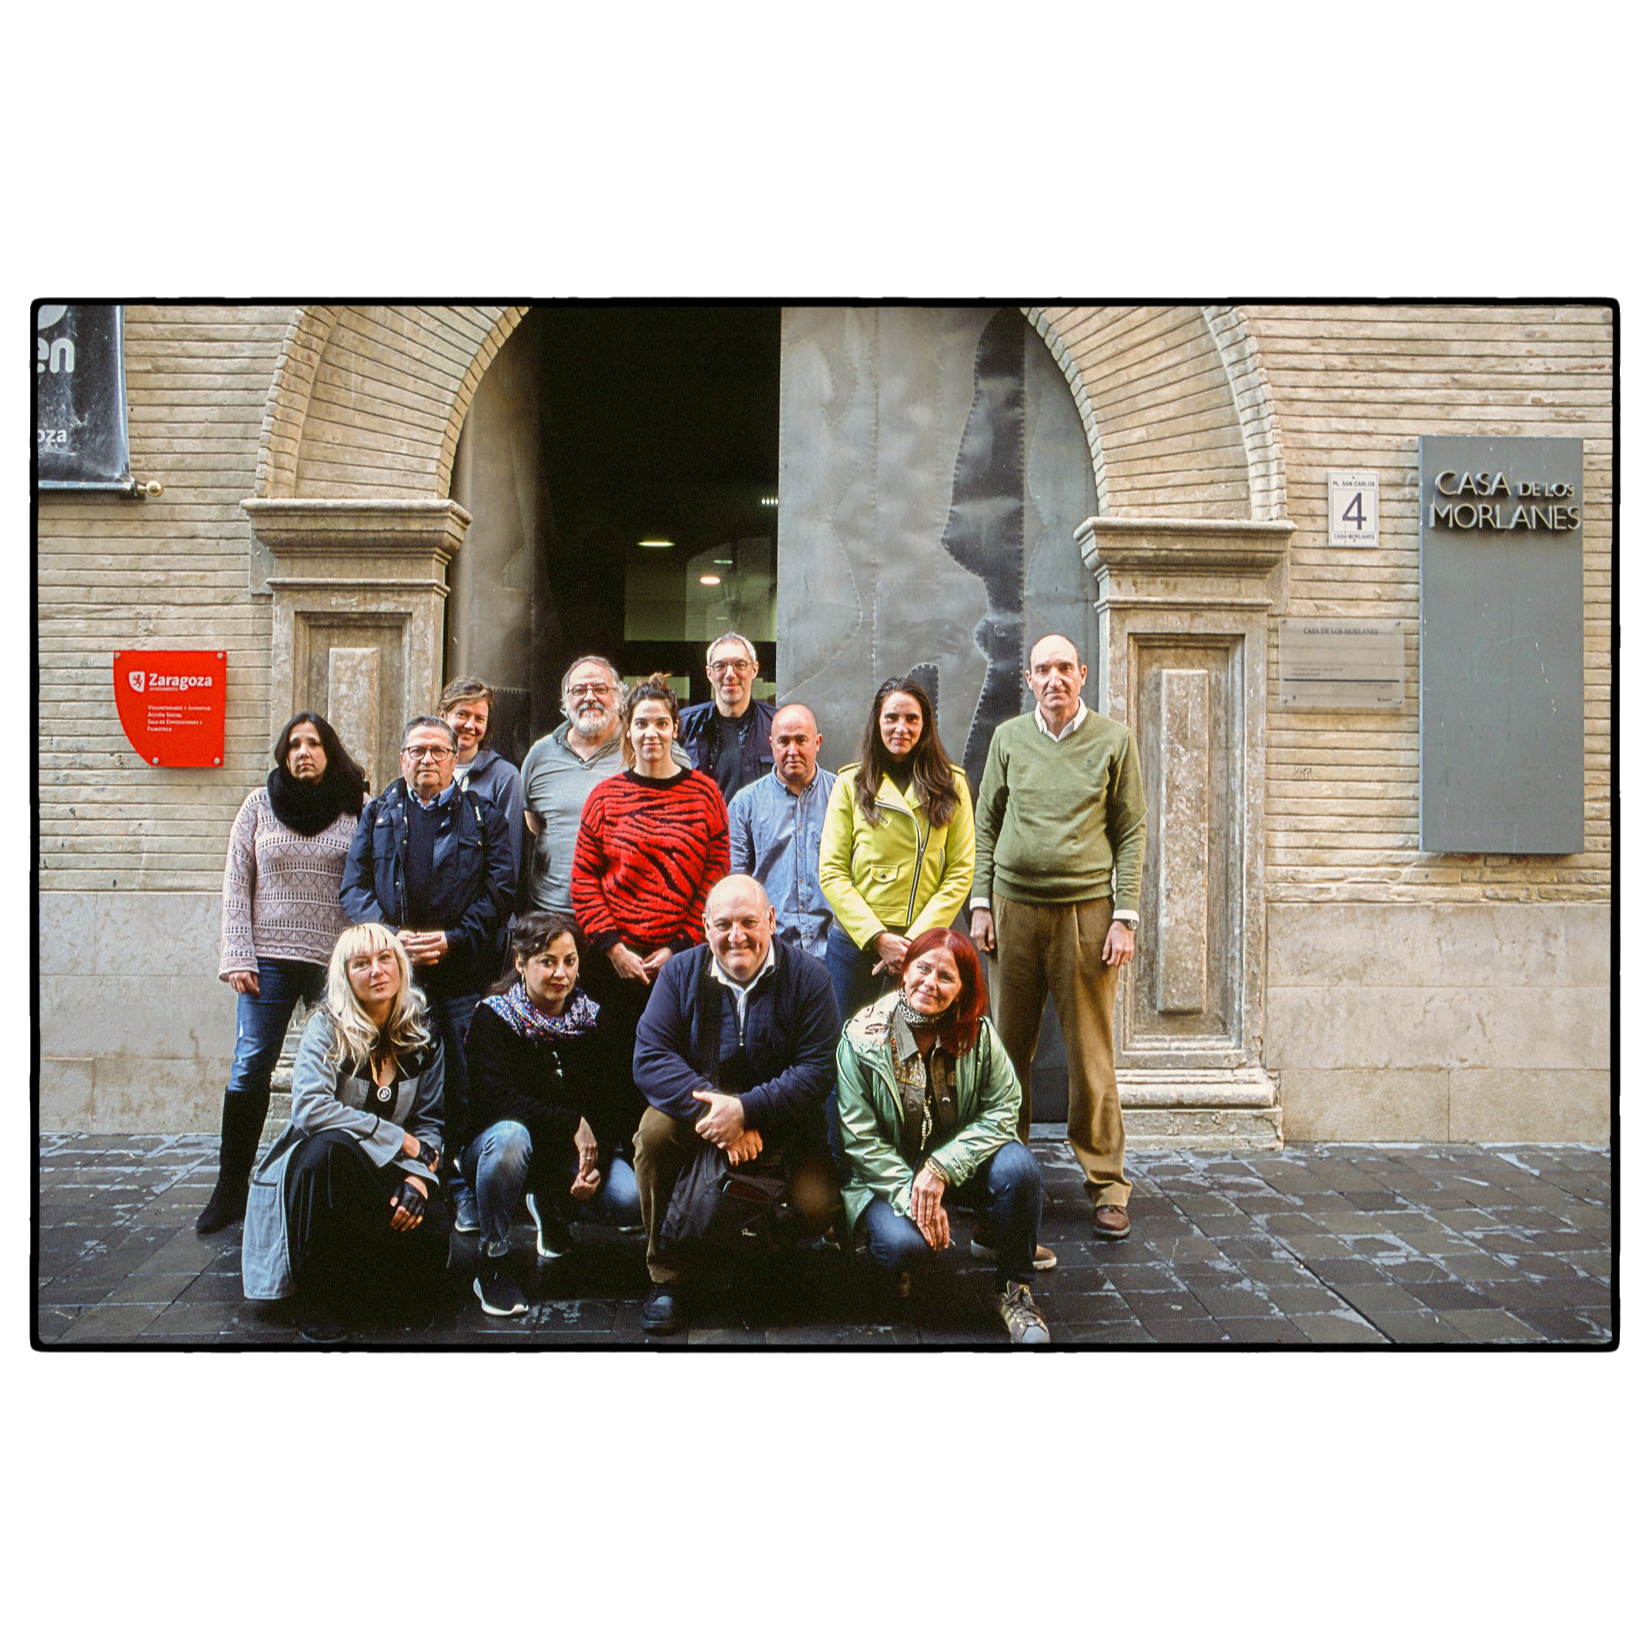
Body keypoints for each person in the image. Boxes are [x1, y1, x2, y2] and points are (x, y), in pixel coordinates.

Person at [970, 632, 1147, 1242]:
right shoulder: (1008, 738)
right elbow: (986, 822)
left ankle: (1107, 1185)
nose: (1054, 679)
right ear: (1029, 679)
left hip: (1087, 914)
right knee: (1004, 1053)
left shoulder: (1114, 741)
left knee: (1091, 1055)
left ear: (1082, 674)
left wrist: (1125, 916)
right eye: (1042, 669)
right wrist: (981, 905)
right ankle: (1003, 1176)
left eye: (1064, 668)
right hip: (1013, 913)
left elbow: (1131, 830)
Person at [631, 875, 840, 1334]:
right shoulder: (679, 973)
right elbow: (650, 1057)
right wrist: (720, 1113)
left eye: (749, 921)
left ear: (772, 920)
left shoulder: (810, 977)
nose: (736, 935)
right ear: (705, 927)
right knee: (652, 1133)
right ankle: (666, 1275)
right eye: (723, 924)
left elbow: (818, 1070)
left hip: (783, 1124)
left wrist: (746, 1110)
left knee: (818, 1205)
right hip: (700, 1118)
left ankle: (764, 1259)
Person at [835, 928, 1050, 1345]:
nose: (930, 983)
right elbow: (859, 1140)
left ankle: (1015, 1290)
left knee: (1020, 1168)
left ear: (962, 990)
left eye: (946, 976)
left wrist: (941, 1167)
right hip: (886, 1178)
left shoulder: (978, 1034)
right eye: (923, 968)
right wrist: (914, 1198)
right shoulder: (861, 1038)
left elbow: (1004, 1108)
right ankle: (889, 1261)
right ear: (904, 971)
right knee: (905, 1248)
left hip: (952, 1168)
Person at [341, 715, 516, 1213]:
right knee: (401, 1080)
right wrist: (392, 940)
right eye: (417, 751)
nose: (427, 760)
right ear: (402, 758)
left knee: (462, 1082)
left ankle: (459, 1183)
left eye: (438, 751)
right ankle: (407, 1176)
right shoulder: (378, 814)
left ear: (455, 758)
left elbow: (500, 890)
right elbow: (353, 888)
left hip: (461, 974)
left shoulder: (483, 816)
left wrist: (454, 939)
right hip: (395, 981)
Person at [203, 710, 368, 1235]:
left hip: (335, 963)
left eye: (313, 743)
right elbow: (236, 881)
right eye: (294, 744)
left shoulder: (357, 807)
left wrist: (365, 957)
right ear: (283, 753)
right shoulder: (257, 805)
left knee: (346, 1070)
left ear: (329, 751)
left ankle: (337, 1182)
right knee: (251, 1065)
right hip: (268, 962)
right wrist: (237, 954)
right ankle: (230, 1189)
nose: (303, 753)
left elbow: (368, 879)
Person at [241, 924, 448, 1342]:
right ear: (345, 975)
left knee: (427, 1268)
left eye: (385, 959)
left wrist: (419, 1179)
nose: (376, 971)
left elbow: (430, 1121)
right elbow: (310, 1109)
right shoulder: (326, 1028)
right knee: (330, 1149)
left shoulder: (423, 1035)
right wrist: (396, 1138)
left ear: (400, 965)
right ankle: (317, 1297)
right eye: (361, 963)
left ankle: (365, 1283)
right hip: (320, 1177)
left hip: (386, 1173)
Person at [572, 674, 730, 1147]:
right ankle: (615, 1163)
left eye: (661, 723)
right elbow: (583, 880)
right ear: (628, 728)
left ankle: (668, 1162)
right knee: (613, 1067)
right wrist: (613, 948)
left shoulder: (705, 795)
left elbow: (715, 878)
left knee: (678, 1067)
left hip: (683, 964)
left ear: (676, 727)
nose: (651, 733)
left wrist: (680, 946)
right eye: (641, 723)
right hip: (614, 965)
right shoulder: (604, 797)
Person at [462, 912, 640, 1317]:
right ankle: (493, 1259)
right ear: (521, 962)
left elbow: (613, 1098)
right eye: (548, 961)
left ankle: (550, 1210)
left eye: (570, 961)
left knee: (629, 1199)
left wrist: (594, 1163)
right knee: (510, 1139)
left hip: (566, 1155)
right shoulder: (494, 1017)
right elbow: (495, 1101)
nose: (561, 973)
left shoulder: (591, 1017)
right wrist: (571, 1123)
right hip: (502, 1151)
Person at [818, 675, 976, 1023]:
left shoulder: (952, 784)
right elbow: (831, 871)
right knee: (846, 1045)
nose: (901, 728)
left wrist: (913, 945)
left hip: (924, 946)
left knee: (917, 1047)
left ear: (925, 725)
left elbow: (960, 872)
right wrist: (878, 938)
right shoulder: (850, 783)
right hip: (855, 945)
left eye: (911, 719)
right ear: (877, 722)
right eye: (891, 717)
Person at [726, 701, 835, 961]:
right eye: (784, 741)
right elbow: (736, 883)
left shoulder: (843, 797)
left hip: (834, 949)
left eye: (801, 740)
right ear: (771, 744)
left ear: (817, 742)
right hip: (771, 952)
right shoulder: (745, 804)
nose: (792, 751)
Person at [520, 655, 626, 921]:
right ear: (566, 700)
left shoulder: (644, 747)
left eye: (600, 688)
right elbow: (534, 823)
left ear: (618, 696)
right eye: (579, 690)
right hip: (552, 912)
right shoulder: (540, 754)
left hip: (623, 914)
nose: (590, 697)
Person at [440, 675, 525, 887]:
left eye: (479, 718)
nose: (470, 725)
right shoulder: (428, 769)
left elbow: (508, 859)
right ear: (442, 715)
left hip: (482, 901)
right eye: (462, 714)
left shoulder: (505, 777)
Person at [676, 631, 775, 803]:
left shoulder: (775, 725)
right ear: (709, 673)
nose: (729, 674)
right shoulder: (684, 725)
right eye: (720, 666)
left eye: (739, 665)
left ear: (754, 670)